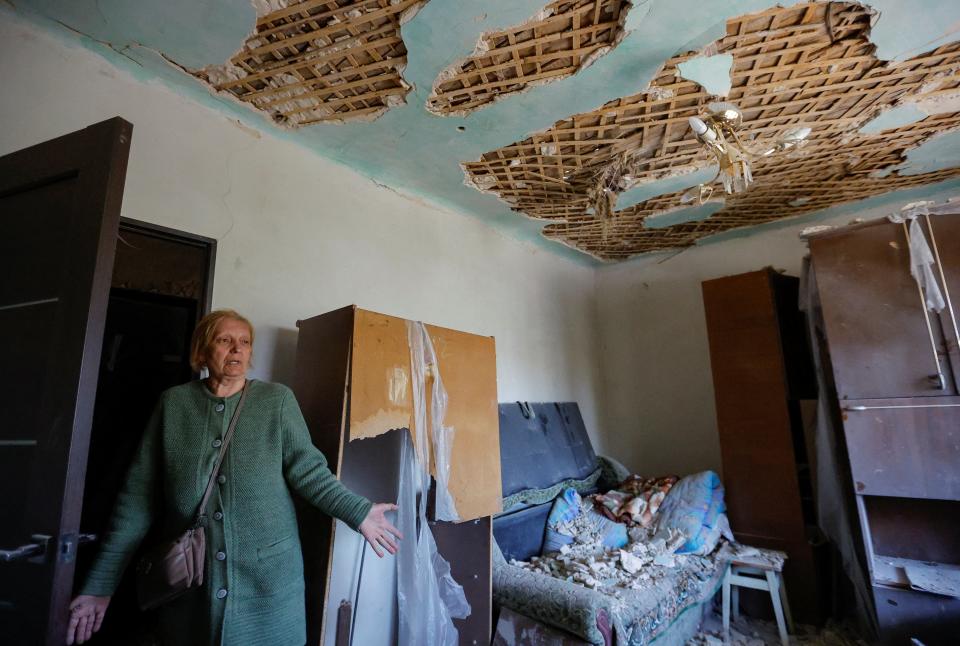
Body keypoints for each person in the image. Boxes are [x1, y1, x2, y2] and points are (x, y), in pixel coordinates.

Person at [66, 309, 402, 645]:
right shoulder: (174, 404)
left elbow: (309, 471)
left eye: (244, 342)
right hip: (193, 587)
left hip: (268, 586)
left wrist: (357, 512)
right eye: (225, 340)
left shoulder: (276, 401)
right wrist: (100, 585)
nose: (237, 349)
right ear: (202, 351)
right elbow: (138, 499)